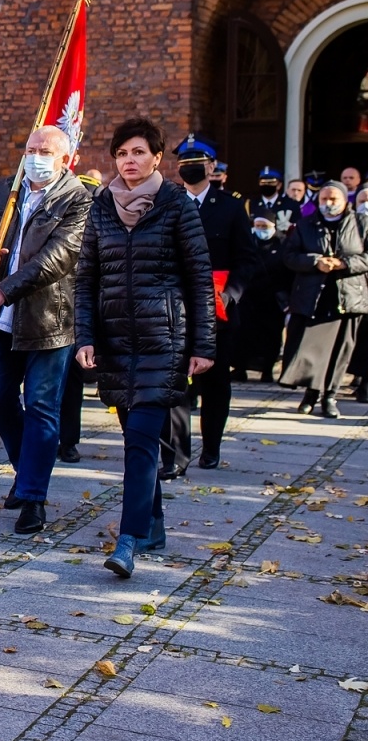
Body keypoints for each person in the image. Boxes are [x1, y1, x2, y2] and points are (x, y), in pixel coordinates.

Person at [75, 118, 215, 578]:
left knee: (139, 441)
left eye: (138, 152)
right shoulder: (101, 206)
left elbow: (199, 278)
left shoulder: (176, 205)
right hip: (115, 342)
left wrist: (203, 344)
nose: (129, 161)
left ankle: (128, 539)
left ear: (156, 157)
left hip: (164, 341)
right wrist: (85, 336)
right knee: (136, 439)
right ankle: (152, 526)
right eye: (121, 154)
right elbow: (86, 279)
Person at [0, 125, 93, 533]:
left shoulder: (78, 199)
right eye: (30, 148)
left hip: (48, 318)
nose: (35, 156)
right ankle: (27, 470)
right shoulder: (1, 191)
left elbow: (56, 260)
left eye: (45, 151)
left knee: (41, 405)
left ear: (65, 159)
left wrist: (2, 291)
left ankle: (33, 497)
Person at [159, 136, 256, 475]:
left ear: (212, 167)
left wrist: (229, 295)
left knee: (215, 383)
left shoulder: (230, 207)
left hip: (217, 311)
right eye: (184, 162)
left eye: (197, 161)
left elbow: (247, 259)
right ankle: (176, 456)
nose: (190, 167)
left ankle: (211, 447)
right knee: (174, 383)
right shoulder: (167, 203)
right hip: (173, 309)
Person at [278, 181, 368, 417]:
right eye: (324, 199)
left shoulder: (361, 223)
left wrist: (344, 263)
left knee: (341, 350)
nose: (328, 204)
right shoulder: (306, 224)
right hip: (313, 296)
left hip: (347, 297)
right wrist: (314, 262)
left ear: (345, 201)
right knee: (313, 349)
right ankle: (311, 394)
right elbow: (289, 256)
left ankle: (330, 396)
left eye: (333, 199)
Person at [58, 167, 105, 463]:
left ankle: (68, 440)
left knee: (73, 380)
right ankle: (59, 439)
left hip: (81, 309)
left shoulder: (99, 226)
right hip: (54, 307)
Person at [238, 214, 290, 382]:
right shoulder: (247, 241)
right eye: (258, 225)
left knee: (270, 337)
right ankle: (240, 368)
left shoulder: (283, 243)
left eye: (264, 226)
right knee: (243, 335)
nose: (260, 229)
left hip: (272, 298)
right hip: (247, 297)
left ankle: (267, 370)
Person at [248, 166, 299, 234]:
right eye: (263, 182)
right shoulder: (250, 204)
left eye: (271, 182)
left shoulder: (291, 204)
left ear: (279, 185)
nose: (266, 185)